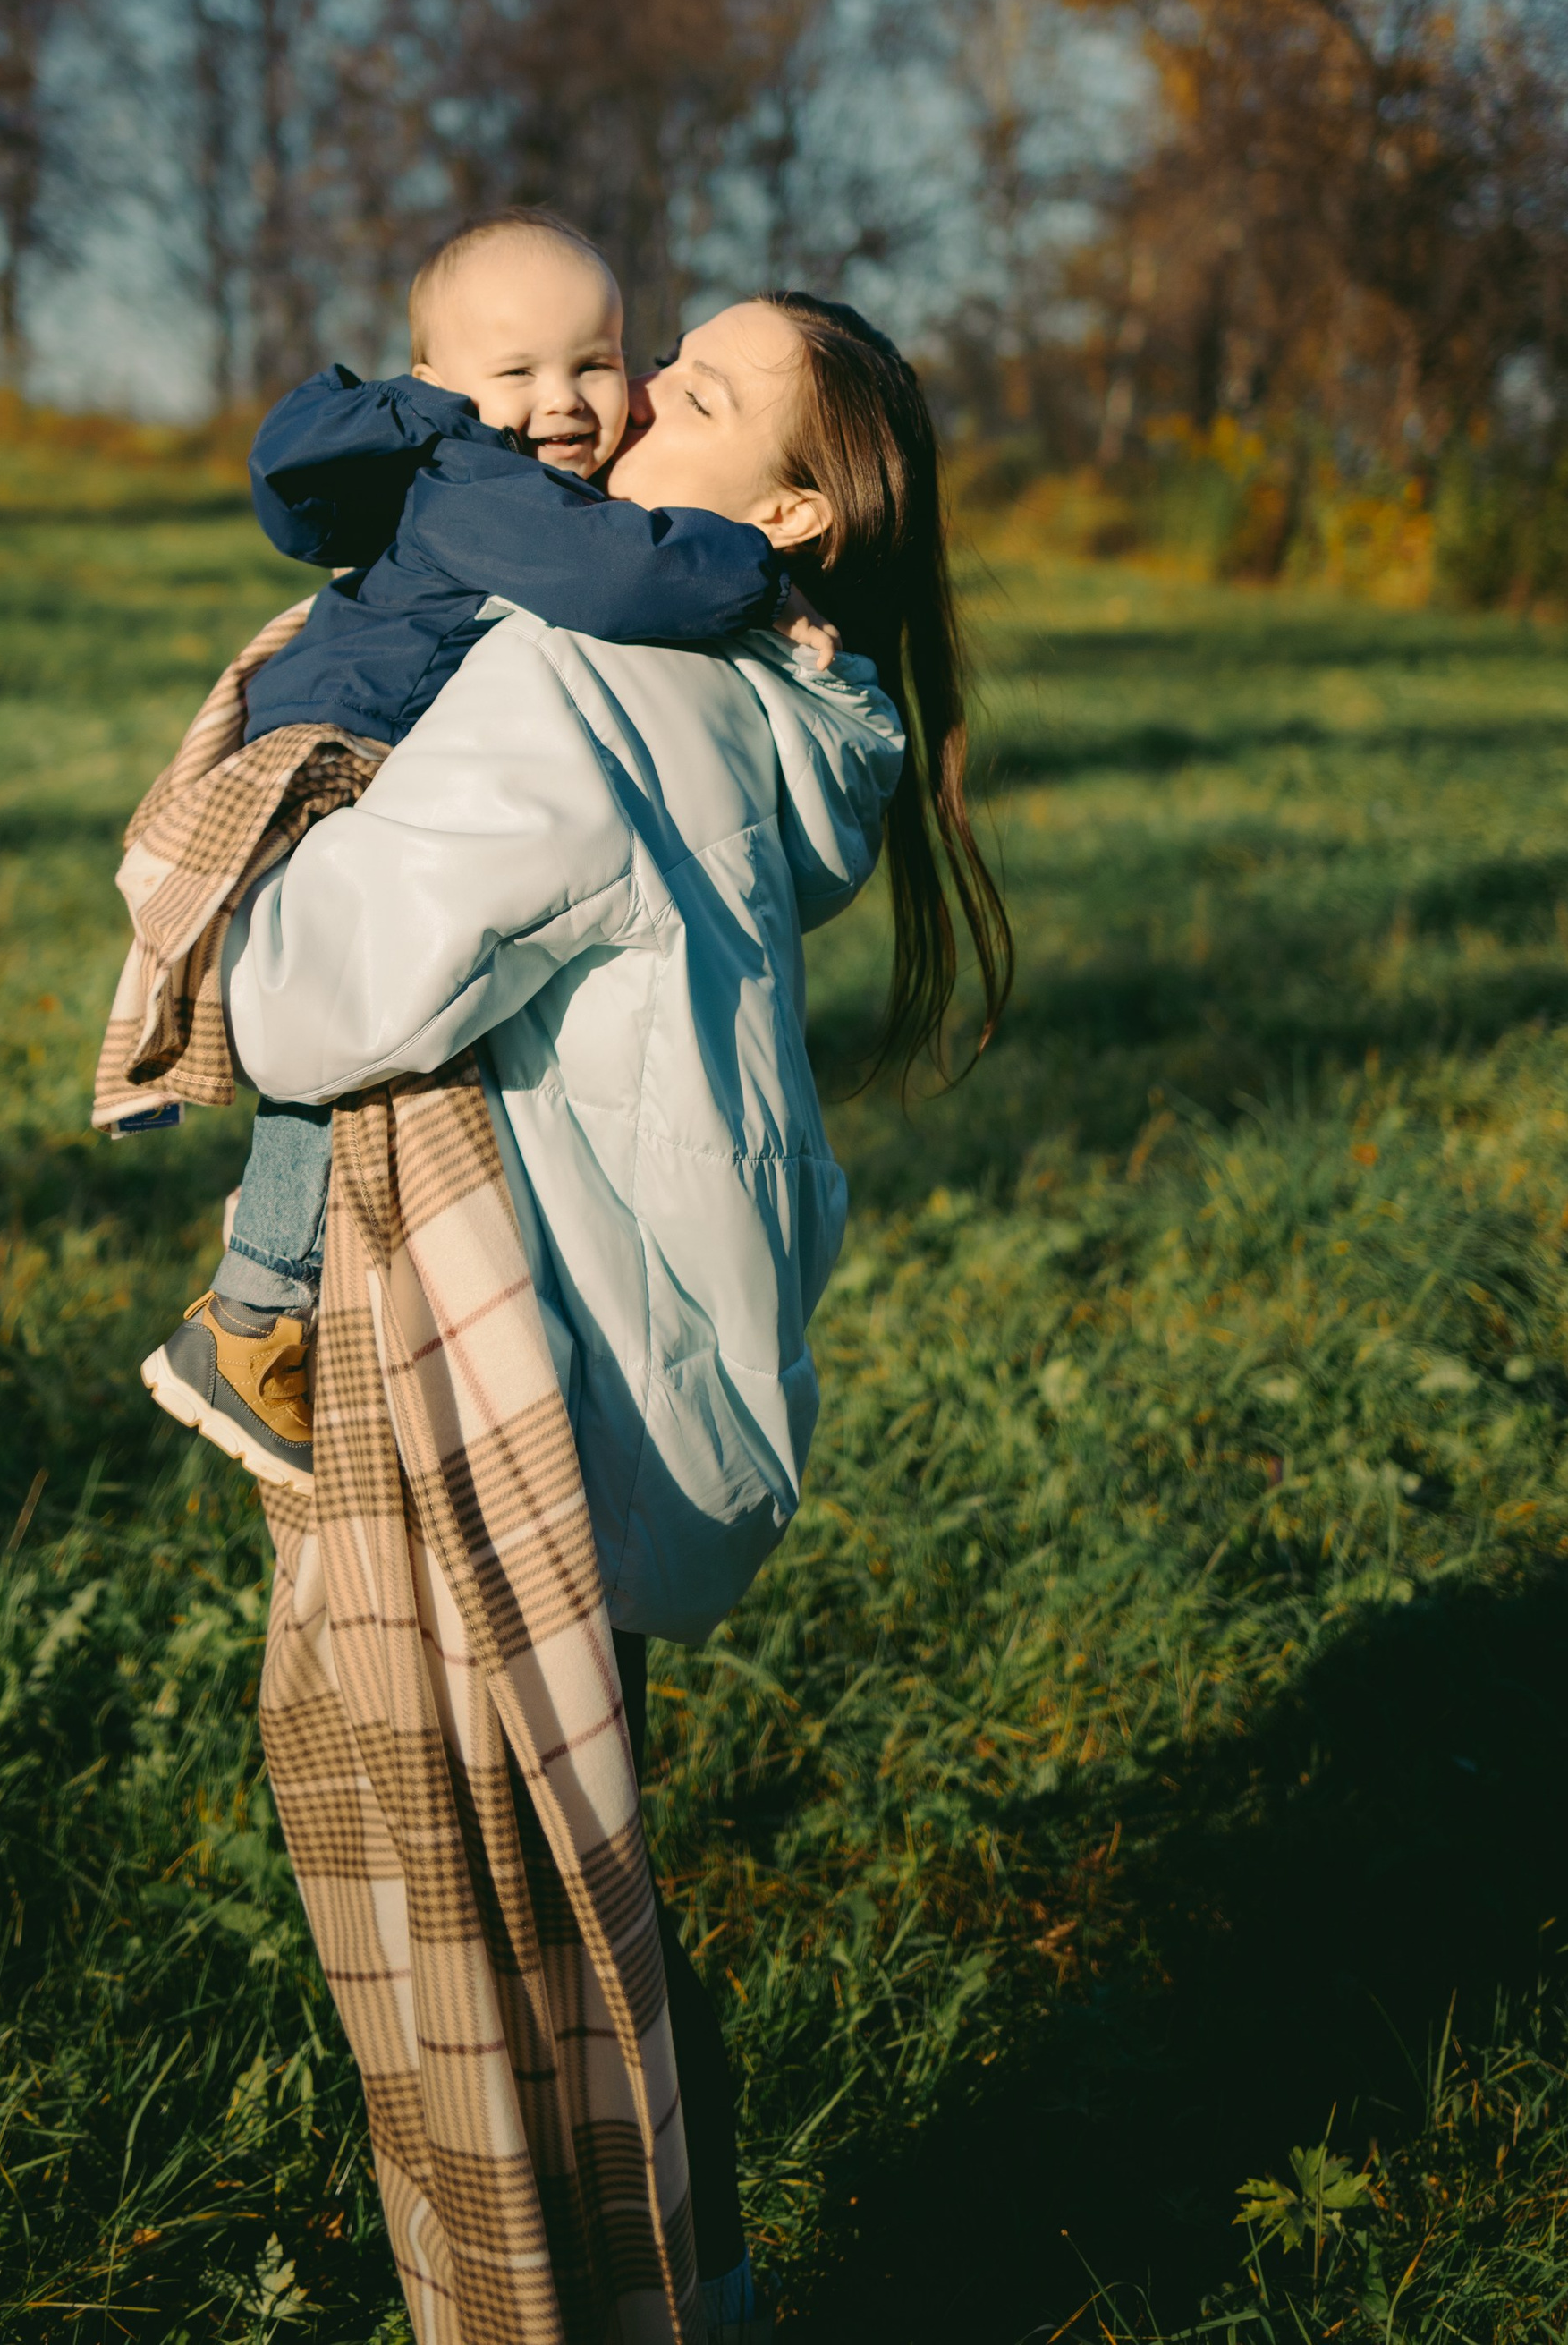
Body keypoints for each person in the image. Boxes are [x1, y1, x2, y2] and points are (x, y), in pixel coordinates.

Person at [222, 289, 1013, 2334]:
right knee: (595, 1883)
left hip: (523, 1383)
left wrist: (270, 817)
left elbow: (295, 1002)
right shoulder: (780, 701)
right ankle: (696, 2275)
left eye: (701, 394)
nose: (631, 396)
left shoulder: (589, 686)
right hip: (652, 1364)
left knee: (529, 1929)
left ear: (795, 511)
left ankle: (612, 2290)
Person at [147, 208, 835, 1492]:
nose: (567, 400)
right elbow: (620, 579)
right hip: (347, 747)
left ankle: (259, 1306)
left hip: (371, 739)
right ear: (435, 384)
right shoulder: (473, 479)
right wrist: (753, 569)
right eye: (516, 371)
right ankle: (257, 1303)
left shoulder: (503, 483)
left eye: (597, 361)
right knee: (322, 1071)